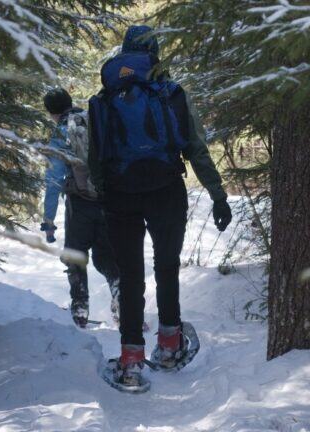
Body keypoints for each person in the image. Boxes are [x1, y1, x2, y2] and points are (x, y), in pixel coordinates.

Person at [88, 25, 231, 392]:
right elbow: (195, 147)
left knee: (131, 275)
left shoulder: (104, 98)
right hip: (167, 190)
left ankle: (131, 361)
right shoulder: (171, 92)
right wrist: (218, 195)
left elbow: (95, 157)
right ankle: (169, 346)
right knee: (167, 267)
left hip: (120, 195)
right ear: (155, 53)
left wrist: (103, 195)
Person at [41, 88, 122, 328]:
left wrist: (48, 220)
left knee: (75, 256)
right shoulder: (94, 120)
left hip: (80, 204)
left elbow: (54, 179)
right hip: (108, 201)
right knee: (107, 256)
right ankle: (120, 293)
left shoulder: (60, 132)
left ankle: (80, 308)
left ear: (51, 113)